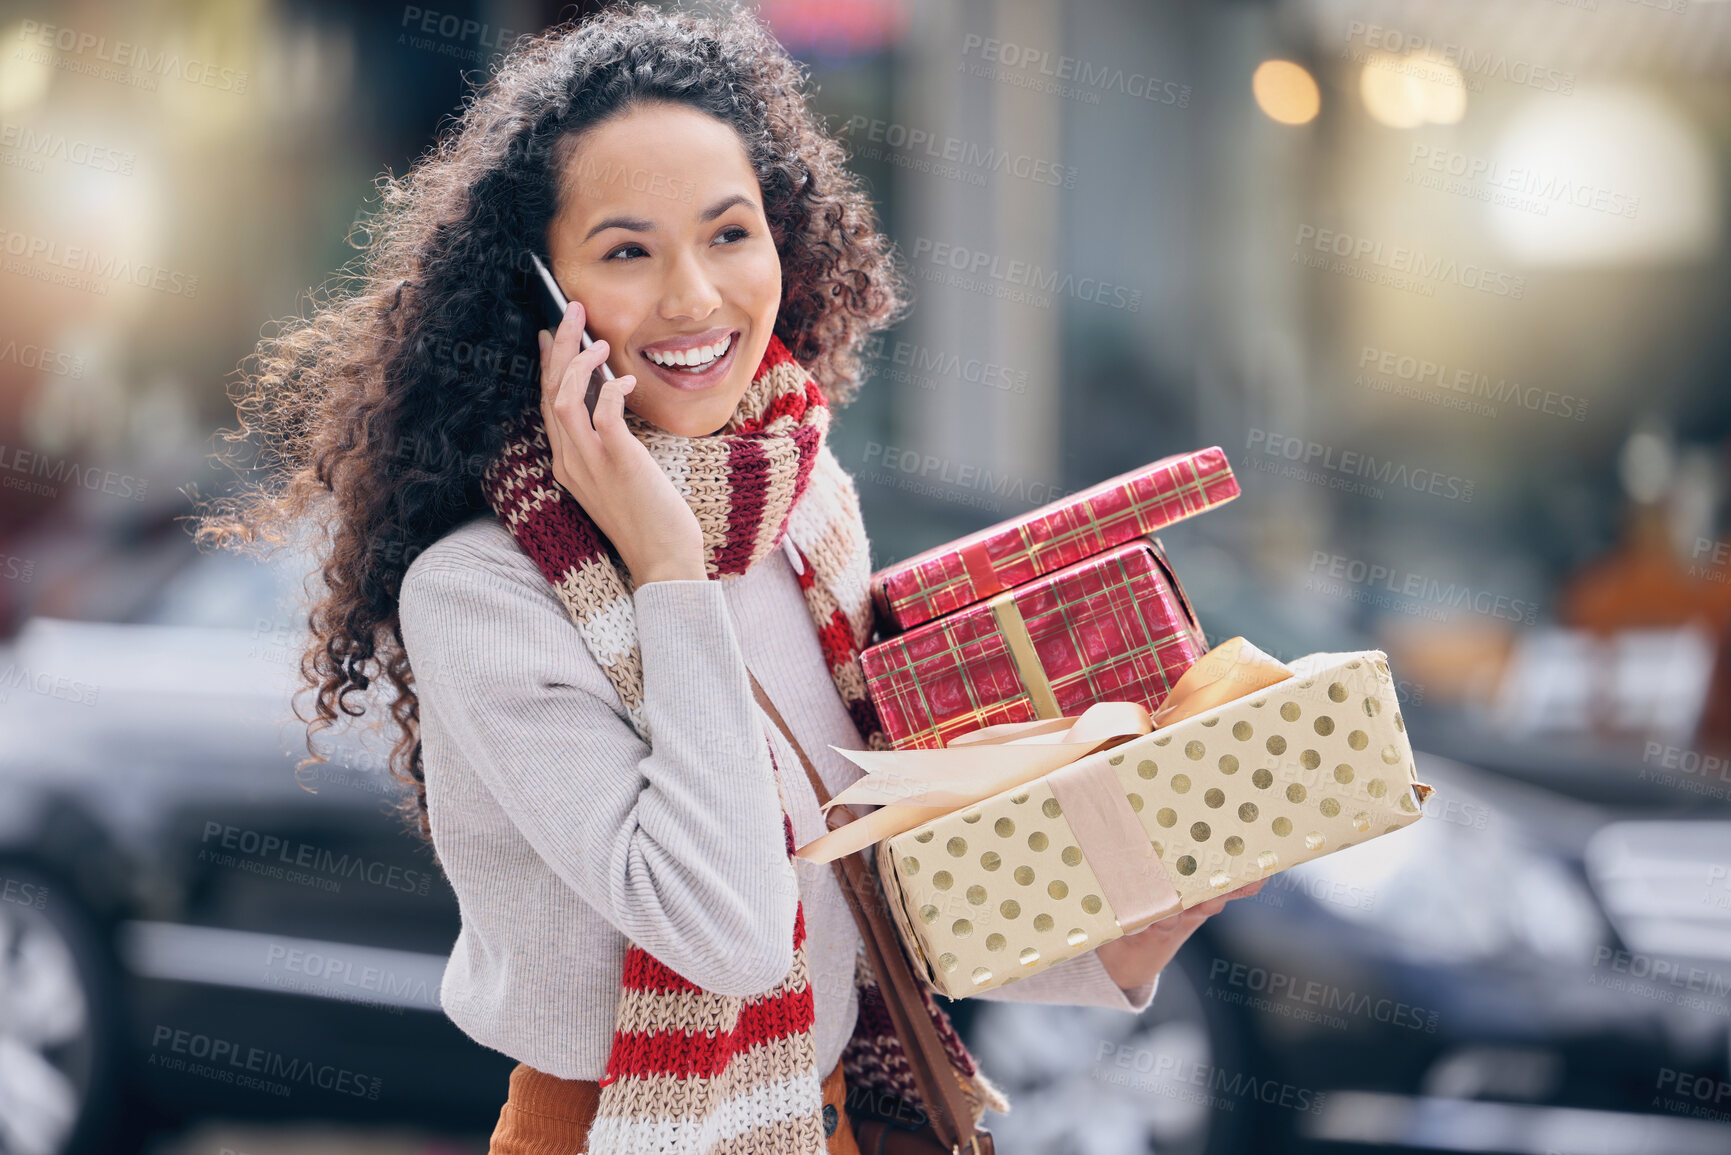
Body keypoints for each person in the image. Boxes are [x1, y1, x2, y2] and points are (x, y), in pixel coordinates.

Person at [197, 5, 1260, 1152]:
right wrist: (665, 568)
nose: (695, 298)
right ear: (540, 297)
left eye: (729, 233)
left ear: (784, 240)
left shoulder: (805, 509)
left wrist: (1126, 942)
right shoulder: (483, 595)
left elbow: (870, 894)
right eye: (625, 252)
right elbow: (733, 933)